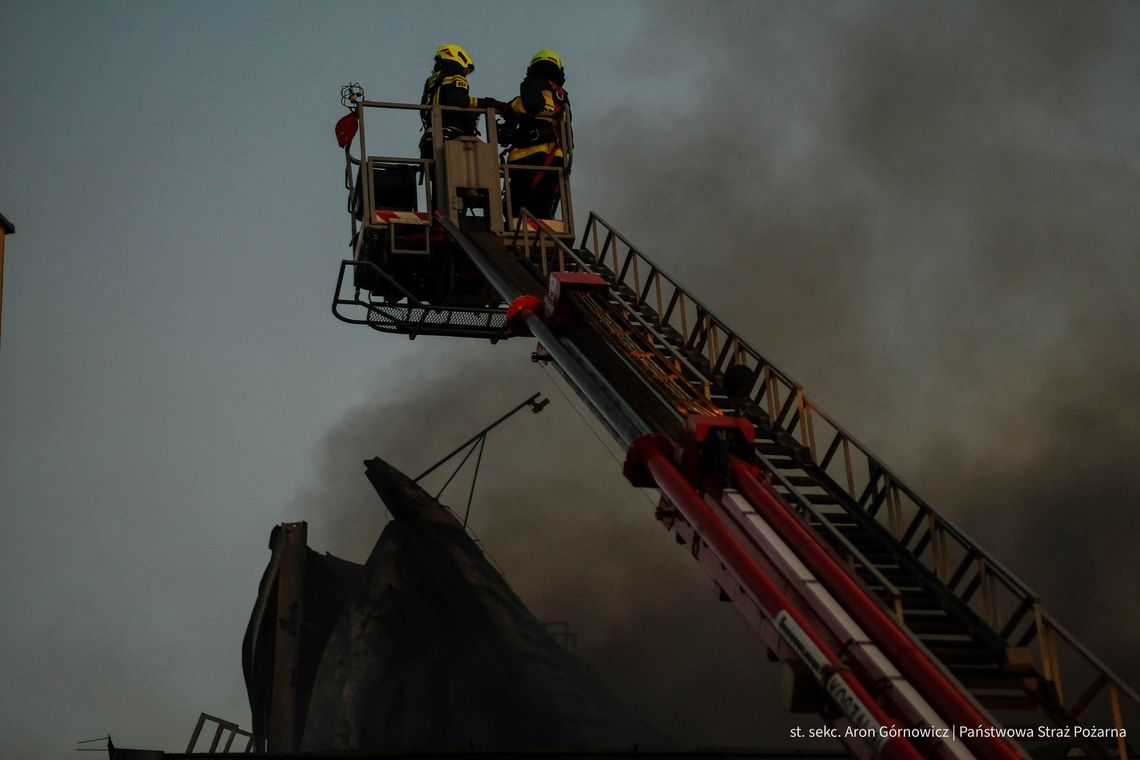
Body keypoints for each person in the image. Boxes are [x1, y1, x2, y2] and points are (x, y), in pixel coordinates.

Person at [502, 49, 573, 219]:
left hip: (530, 156)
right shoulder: (562, 96)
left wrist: (510, 107)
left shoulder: (533, 82)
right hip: (556, 158)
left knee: (515, 208)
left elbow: (532, 105)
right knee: (542, 208)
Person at [419, 43, 503, 160]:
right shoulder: (455, 72)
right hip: (450, 136)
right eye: (466, 69)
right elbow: (458, 100)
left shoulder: (432, 79)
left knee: (433, 171)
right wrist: (485, 103)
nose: (465, 72)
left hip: (429, 137)